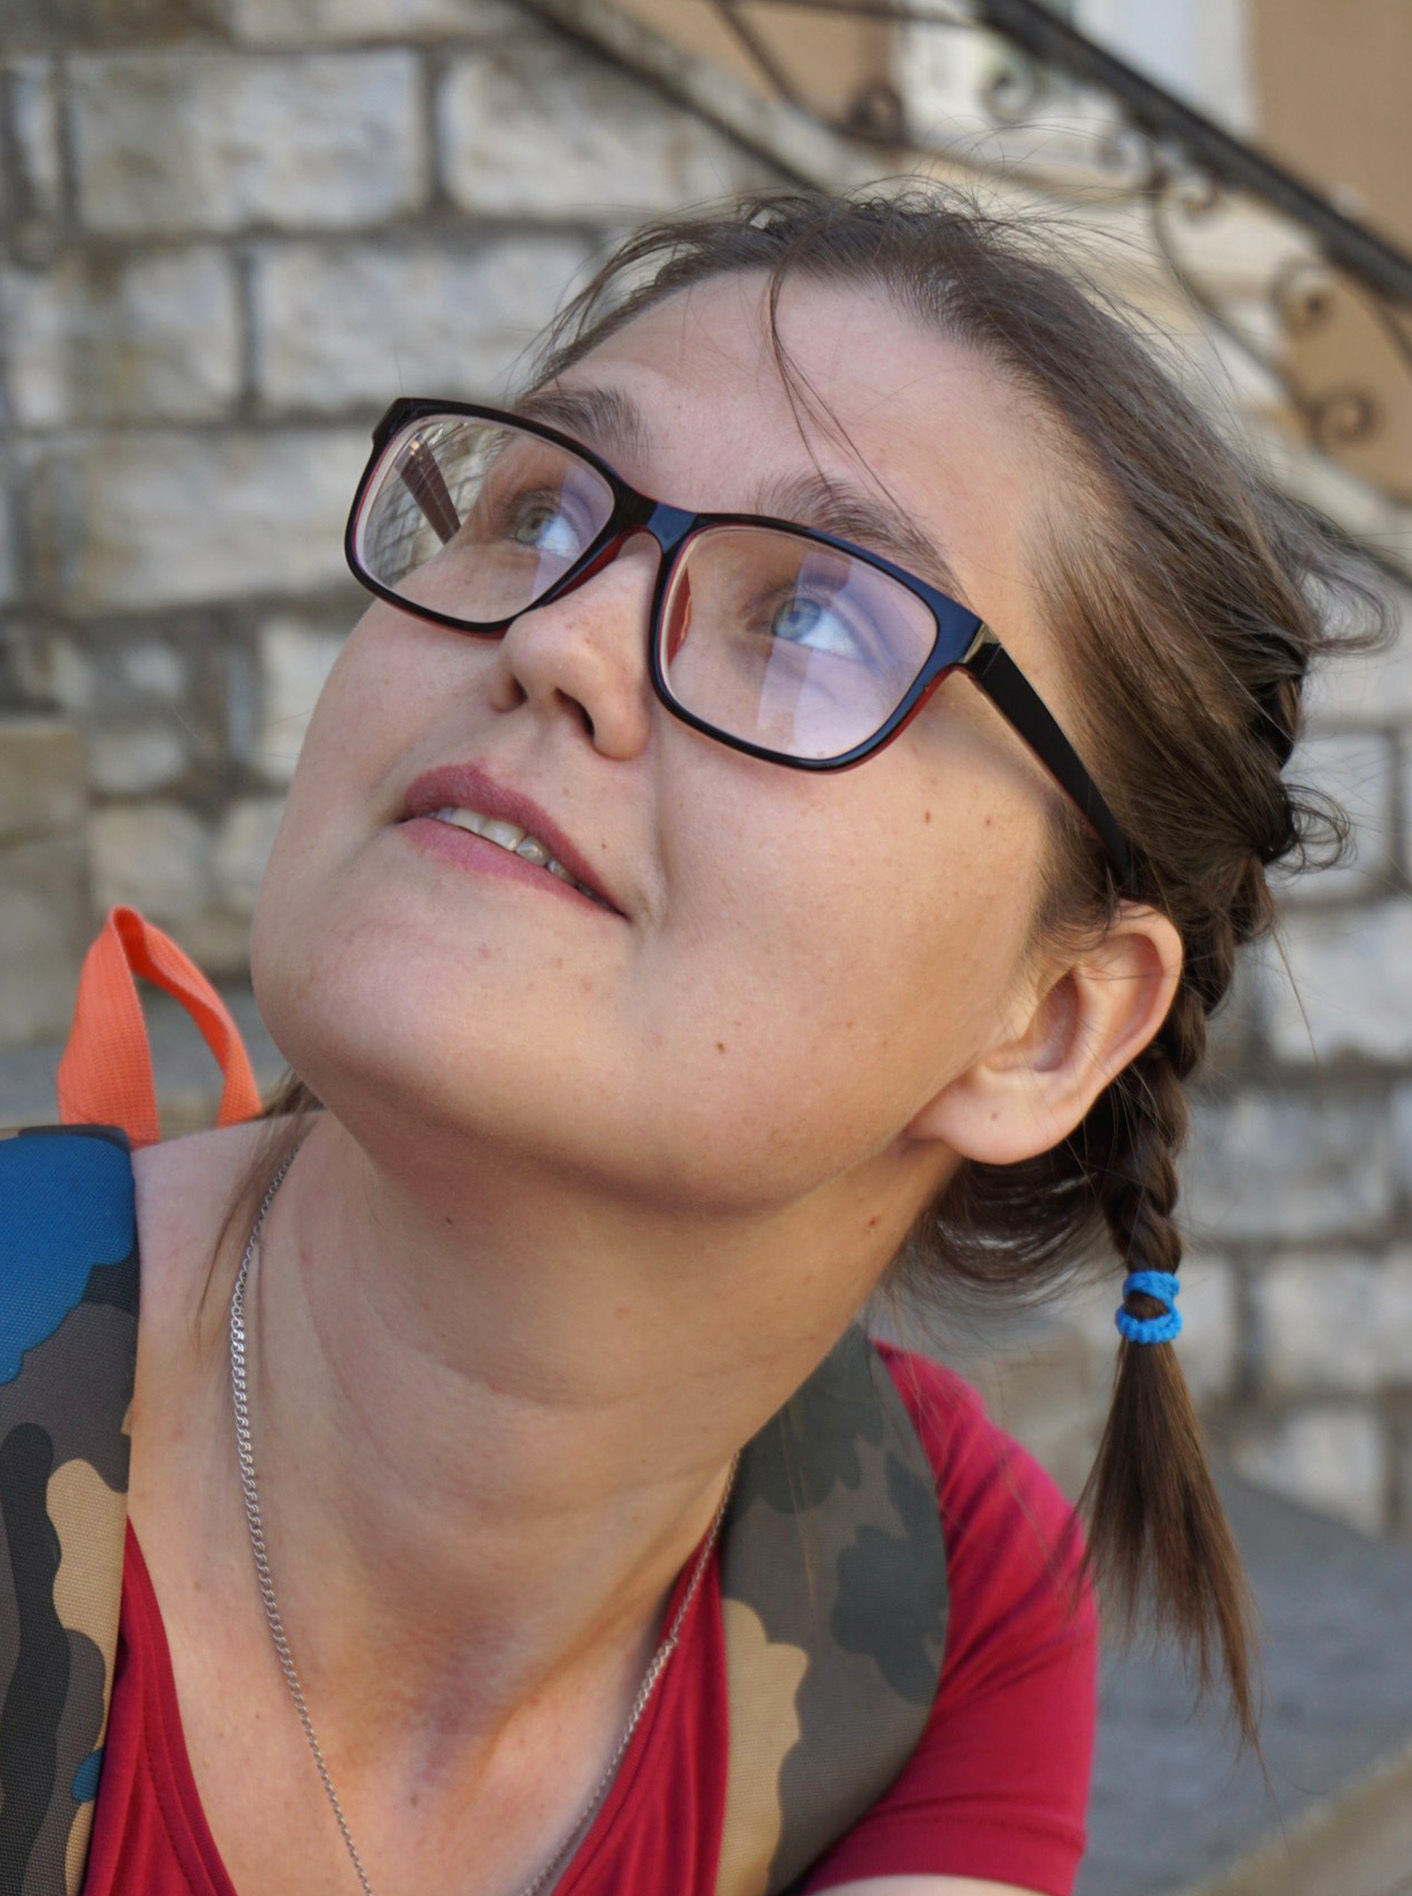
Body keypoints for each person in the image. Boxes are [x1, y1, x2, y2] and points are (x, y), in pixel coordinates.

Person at [76, 185, 1376, 1896]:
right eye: (537, 512)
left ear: (1048, 1026)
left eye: (814, 615)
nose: (555, 637)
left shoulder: (929, 1599)